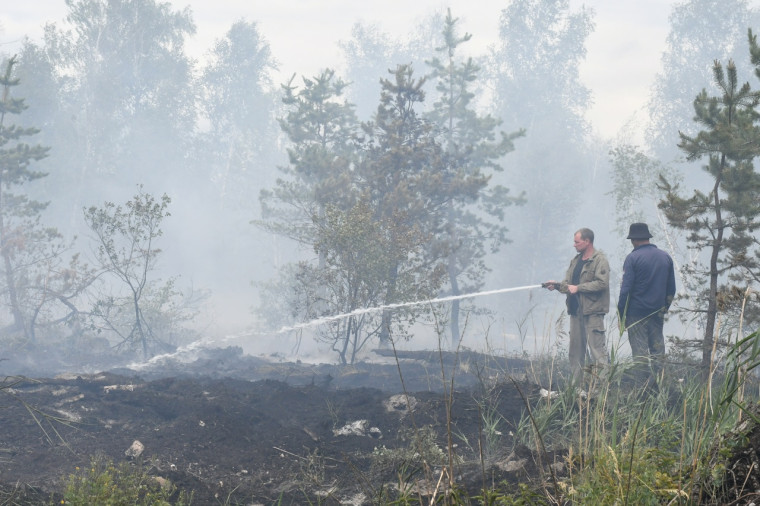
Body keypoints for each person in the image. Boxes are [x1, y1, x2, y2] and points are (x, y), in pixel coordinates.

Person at [544, 228, 610, 387]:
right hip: (575, 312)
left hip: (593, 313)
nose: (574, 245)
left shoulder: (600, 260)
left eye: (577, 242)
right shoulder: (575, 260)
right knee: (575, 353)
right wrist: (557, 285)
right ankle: (576, 390)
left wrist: (579, 288)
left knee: (597, 352)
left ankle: (602, 391)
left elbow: (602, 283)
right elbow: (569, 285)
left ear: (587, 241)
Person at [617, 223, 676, 389]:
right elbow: (671, 289)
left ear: (633, 240)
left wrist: (622, 315)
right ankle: (662, 388)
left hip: (636, 314)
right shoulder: (665, 257)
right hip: (657, 312)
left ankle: (642, 391)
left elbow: (625, 290)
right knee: (658, 352)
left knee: (640, 355)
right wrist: (664, 308)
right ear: (648, 237)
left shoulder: (632, 258)